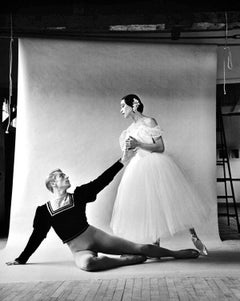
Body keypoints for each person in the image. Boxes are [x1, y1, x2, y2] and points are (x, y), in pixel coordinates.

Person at [6, 152, 200, 271]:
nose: (66, 177)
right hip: (79, 249)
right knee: (88, 265)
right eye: (61, 176)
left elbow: (102, 181)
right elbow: (37, 236)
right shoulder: (43, 211)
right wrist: (21, 259)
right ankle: (126, 261)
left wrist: (122, 161)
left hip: (96, 237)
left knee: (142, 248)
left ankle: (177, 253)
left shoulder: (79, 195)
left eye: (65, 174)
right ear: (52, 183)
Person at [110, 94, 209, 256]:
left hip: (156, 164)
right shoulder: (128, 130)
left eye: (123, 106)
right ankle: (155, 244)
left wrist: (138, 143)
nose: (121, 110)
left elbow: (160, 147)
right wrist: (128, 151)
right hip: (138, 167)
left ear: (134, 105)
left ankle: (194, 236)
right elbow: (129, 155)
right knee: (148, 204)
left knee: (175, 198)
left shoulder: (149, 121)